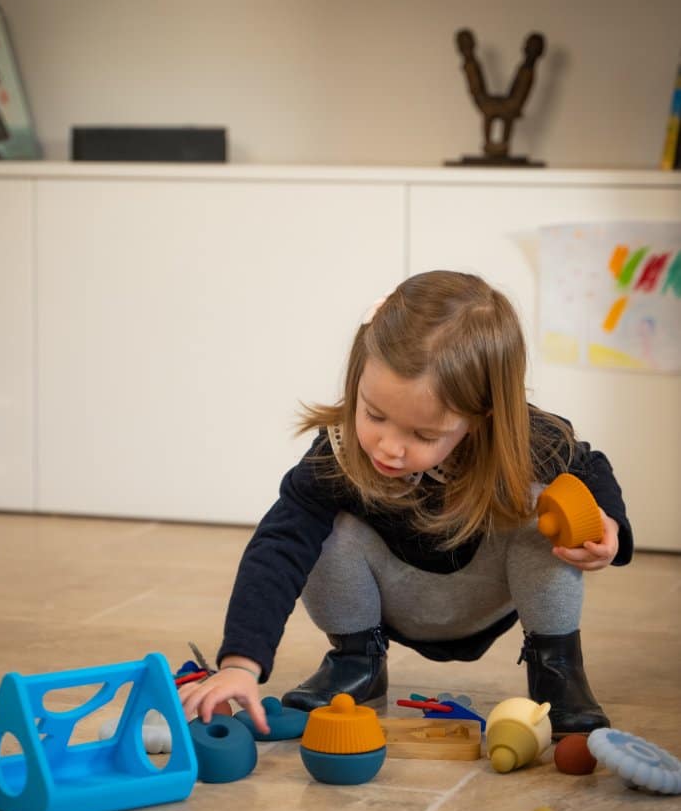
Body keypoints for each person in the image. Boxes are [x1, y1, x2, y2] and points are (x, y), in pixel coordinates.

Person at [179, 271, 633, 739]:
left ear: (481, 418)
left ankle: (557, 668)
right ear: (357, 380)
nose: (389, 448)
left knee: (541, 506)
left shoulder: (526, 441)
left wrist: (611, 528)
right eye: (374, 414)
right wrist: (239, 664)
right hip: (389, 599)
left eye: (423, 434)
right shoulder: (335, 458)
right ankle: (357, 661)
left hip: (485, 590)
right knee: (322, 524)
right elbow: (277, 547)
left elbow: (589, 465)